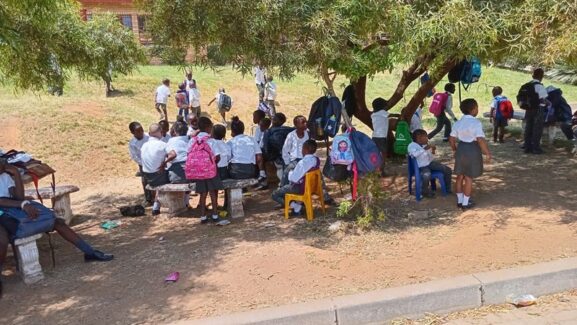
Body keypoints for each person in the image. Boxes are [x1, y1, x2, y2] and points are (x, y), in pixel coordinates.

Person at [0, 159, 113, 298]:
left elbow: (18, 196)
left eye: (3, 163)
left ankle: (89, 252)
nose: (4, 165)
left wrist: (16, 174)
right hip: (6, 214)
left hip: (14, 211)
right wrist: (23, 204)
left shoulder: (5, 176)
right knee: (2, 239)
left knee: (57, 222)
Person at [449, 98, 491, 210]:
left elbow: (451, 138)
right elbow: (480, 139)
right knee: (468, 177)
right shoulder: (476, 123)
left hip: (461, 148)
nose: (477, 109)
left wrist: (454, 150)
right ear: (473, 109)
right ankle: (466, 203)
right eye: (477, 107)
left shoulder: (457, 123)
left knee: (459, 177)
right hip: (472, 149)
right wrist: (487, 152)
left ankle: (460, 201)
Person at [272, 139, 320, 217]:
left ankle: (296, 206)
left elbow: (293, 179)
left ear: (305, 150)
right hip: (311, 187)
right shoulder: (315, 160)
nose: (301, 150)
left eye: (302, 148)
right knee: (287, 187)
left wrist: (290, 173)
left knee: (275, 194)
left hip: (300, 188)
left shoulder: (302, 163)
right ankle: (298, 205)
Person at [190, 117, 223, 224]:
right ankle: (214, 214)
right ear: (209, 128)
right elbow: (217, 157)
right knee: (213, 192)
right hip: (211, 171)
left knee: (202, 193)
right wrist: (212, 164)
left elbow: (188, 153)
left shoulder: (193, 140)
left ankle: (203, 216)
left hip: (199, 171)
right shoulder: (211, 140)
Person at [408, 129, 452, 199]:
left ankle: (447, 189)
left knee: (447, 170)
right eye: (425, 136)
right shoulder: (412, 146)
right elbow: (414, 154)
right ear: (419, 138)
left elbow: (430, 158)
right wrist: (424, 149)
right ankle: (424, 191)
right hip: (421, 167)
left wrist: (432, 151)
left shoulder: (425, 145)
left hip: (430, 164)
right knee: (426, 175)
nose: (427, 138)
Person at [141, 123, 170, 215]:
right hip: (158, 176)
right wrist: (164, 163)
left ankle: (156, 206)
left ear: (149, 134)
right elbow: (173, 156)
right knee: (177, 175)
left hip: (147, 177)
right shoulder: (162, 145)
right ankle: (184, 203)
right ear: (161, 132)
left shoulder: (144, 146)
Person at [227, 117, 267, 182]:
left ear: (232, 131)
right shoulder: (252, 139)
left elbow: (227, 158)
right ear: (243, 129)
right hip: (250, 171)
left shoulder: (230, 142)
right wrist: (262, 172)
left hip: (235, 172)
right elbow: (259, 157)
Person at [521, 68, 549, 154]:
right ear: (541, 76)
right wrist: (549, 103)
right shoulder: (540, 86)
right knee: (537, 129)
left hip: (528, 109)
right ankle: (536, 148)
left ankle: (527, 147)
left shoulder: (527, 85)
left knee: (528, 128)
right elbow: (543, 100)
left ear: (533, 76)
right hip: (538, 109)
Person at [262, 113, 294, 185]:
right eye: (273, 118)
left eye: (275, 119)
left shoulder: (268, 132)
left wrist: (267, 156)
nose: (273, 120)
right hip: (284, 154)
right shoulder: (287, 129)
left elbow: (266, 147)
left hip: (275, 156)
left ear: (280, 122)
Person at [128, 122, 153, 206]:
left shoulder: (149, 137)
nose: (141, 132)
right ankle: (148, 199)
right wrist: (143, 163)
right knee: (145, 180)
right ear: (132, 133)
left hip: (153, 160)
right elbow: (134, 156)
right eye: (138, 131)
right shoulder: (132, 143)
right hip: (143, 163)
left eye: (141, 130)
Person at [281, 115, 310, 186]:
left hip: (305, 159)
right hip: (294, 160)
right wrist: (287, 162)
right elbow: (285, 150)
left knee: (316, 171)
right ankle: (283, 188)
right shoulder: (291, 135)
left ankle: (322, 189)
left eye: (306, 122)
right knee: (287, 171)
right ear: (296, 125)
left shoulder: (308, 134)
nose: (305, 124)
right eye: (303, 122)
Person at [371, 97, 389, 176]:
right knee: (384, 154)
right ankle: (381, 170)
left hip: (375, 136)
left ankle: (376, 169)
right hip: (382, 137)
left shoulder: (373, 114)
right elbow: (390, 115)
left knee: (376, 153)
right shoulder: (383, 112)